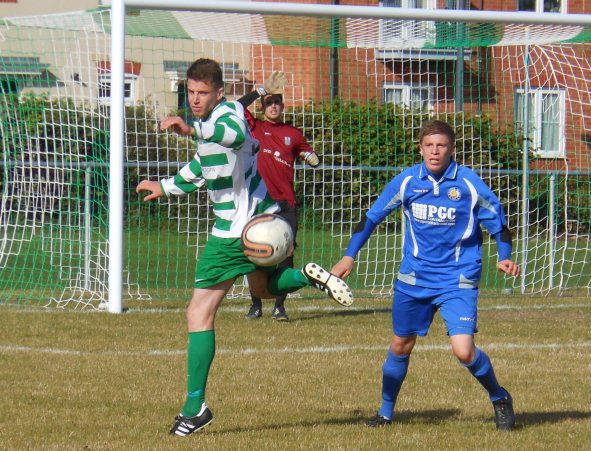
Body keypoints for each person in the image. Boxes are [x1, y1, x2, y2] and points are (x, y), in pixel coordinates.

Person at [135, 58, 353, 437]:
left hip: (235, 232)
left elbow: (232, 136)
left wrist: (190, 128)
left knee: (198, 313)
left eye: (203, 93)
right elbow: (201, 168)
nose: (196, 98)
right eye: (190, 92)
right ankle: (305, 275)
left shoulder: (229, 117)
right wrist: (164, 186)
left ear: (219, 92)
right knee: (264, 291)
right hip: (262, 225)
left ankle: (194, 408)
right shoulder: (220, 120)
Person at [331, 119, 520, 431]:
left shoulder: (468, 184)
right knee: (400, 346)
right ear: (420, 149)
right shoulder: (407, 182)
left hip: (457, 278)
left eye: (442, 145)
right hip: (415, 278)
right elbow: (372, 218)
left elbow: (499, 224)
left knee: (463, 351)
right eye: (429, 145)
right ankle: (385, 413)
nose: (435, 151)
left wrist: (505, 257)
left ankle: (499, 398)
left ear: (452, 149)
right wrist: (349, 255)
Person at [237, 73, 321, 321]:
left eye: (277, 102)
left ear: (283, 106)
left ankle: (279, 307)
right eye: (269, 102)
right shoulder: (254, 127)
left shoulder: (293, 134)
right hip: (258, 202)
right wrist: (260, 91)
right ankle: (255, 305)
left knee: (285, 252)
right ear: (262, 107)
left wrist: (311, 158)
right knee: (255, 252)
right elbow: (237, 107)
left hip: (285, 204)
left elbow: (309, 154)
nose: (273, 106)